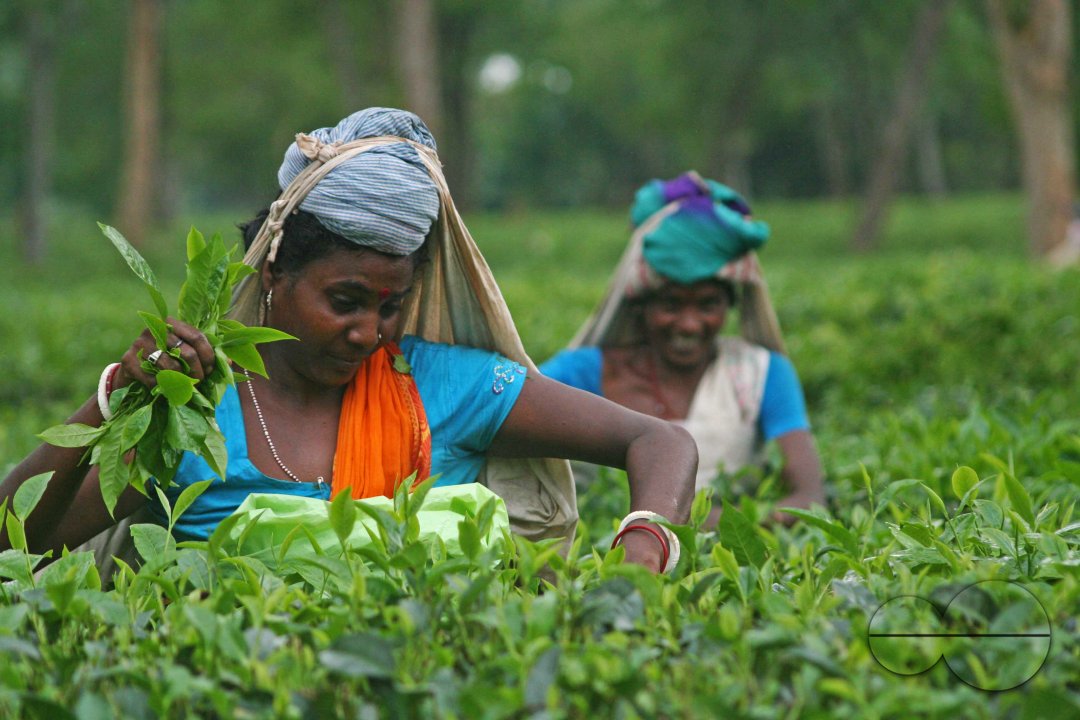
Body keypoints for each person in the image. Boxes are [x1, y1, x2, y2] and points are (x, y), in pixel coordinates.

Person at [0, 108, 696, 574]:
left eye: (392, 306)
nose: (369, 332)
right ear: (276, 268)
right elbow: (17, 543)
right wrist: (110, 403)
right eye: (345, 301)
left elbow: (661, 442)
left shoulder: (451, 388)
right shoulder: (194, 415)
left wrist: (636, 561)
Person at [540, 171, 824, 525]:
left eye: (708, 305)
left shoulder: (761, 375)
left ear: (729, 306)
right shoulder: (581, 372)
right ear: (642, 306)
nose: (689, 325)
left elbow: (810, 497)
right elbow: (501, 422)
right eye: (671, 305)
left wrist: (696, 526)